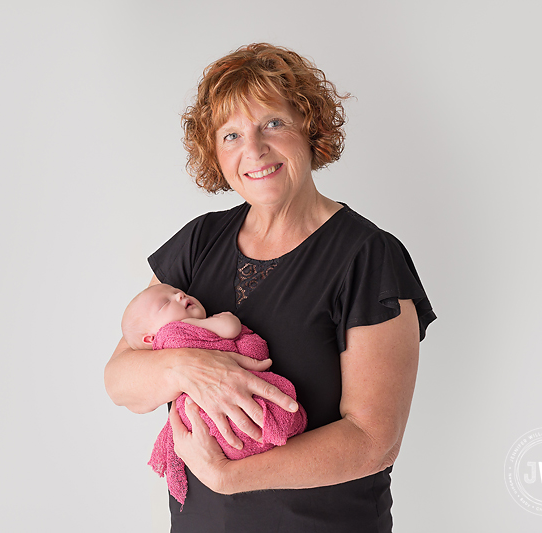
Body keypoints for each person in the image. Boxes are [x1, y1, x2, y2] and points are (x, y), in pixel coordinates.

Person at [105, 43, 436, 532]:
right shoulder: (200, 241)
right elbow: (122, 382)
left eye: (273, 124)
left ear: (309, 126)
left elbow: (374, 440)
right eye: (232, 135)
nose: (253, 150)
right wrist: (190, 366)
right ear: (215, 153)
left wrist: (227, 475)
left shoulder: (367, 257)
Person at [121, 283, 307, 506]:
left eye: (177, 292)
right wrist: (225, 318)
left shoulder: (161, 358)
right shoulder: (176, 331)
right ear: (150, 340)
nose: (179, 295)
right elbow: (231, 330)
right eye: (165, 302)